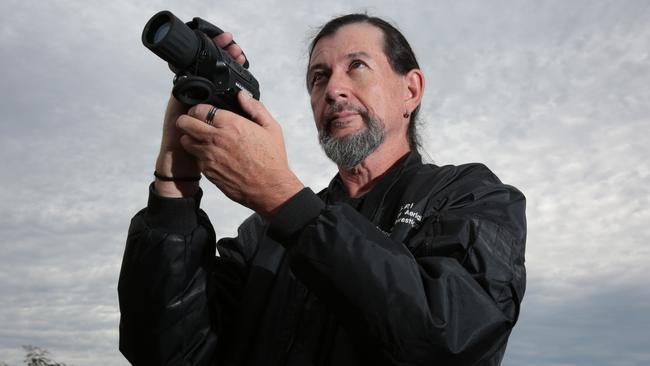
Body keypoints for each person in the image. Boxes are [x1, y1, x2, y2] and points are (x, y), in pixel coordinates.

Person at [118, 13, 526, 366]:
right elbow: (165, 350)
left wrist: (284, 200)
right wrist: (177, 174)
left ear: (411, 90)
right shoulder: (263, 234)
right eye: (319, 77)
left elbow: (452, 341)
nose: (333, 90)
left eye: (357, 66)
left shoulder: (472, 195)